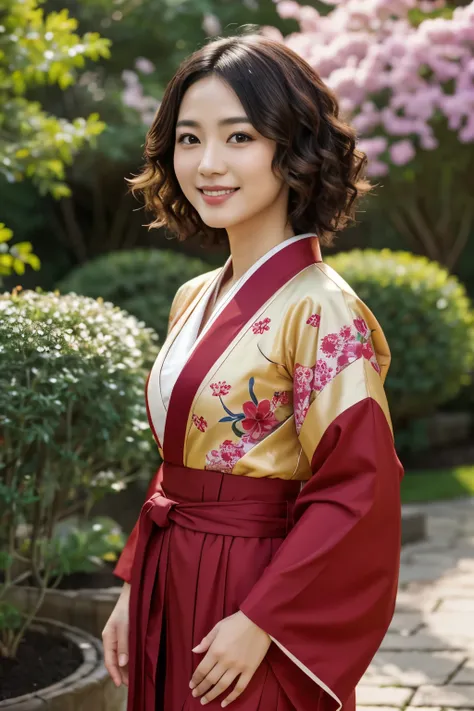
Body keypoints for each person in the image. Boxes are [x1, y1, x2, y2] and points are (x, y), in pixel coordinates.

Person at [102, 32, 403, 711]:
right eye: (188, 139)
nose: (207, 163)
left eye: (238, 137)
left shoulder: (323, 310)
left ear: (291, 148)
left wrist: (263, 618)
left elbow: (359, 488)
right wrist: (132, 583)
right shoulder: (194, 296)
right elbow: (180, 462)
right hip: (170, 572)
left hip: (254, 588)